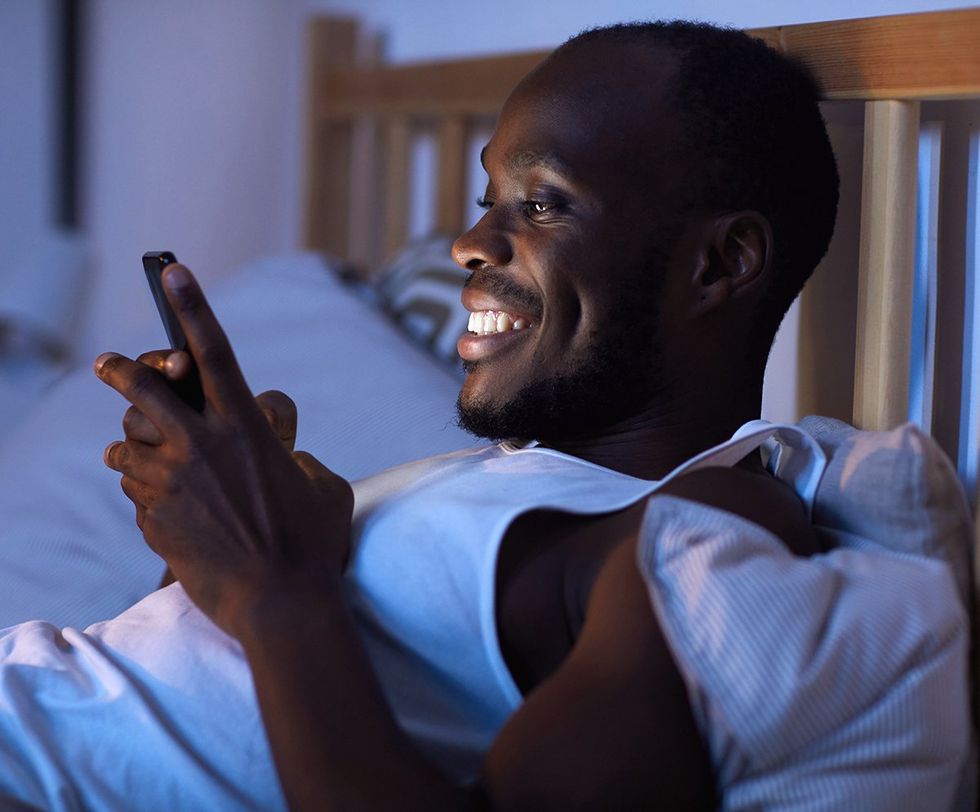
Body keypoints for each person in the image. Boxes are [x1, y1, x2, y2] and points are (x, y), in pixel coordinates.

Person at [0, 21, 968, 811]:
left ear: (718, 264)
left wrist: (277, 582)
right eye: (484, 200)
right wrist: (212, 529)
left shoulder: (700, 528)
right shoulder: (516, 484)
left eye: (542, 203)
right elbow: (205, 713)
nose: (468, 242)